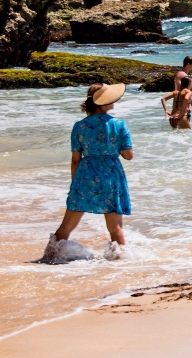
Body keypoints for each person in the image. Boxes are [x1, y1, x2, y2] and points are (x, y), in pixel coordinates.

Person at [45, 82, 135, 261]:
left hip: (85, 174)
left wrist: (75, 184)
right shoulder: (119, 124)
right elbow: (128, 155)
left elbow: (75, 159)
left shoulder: (80, 126)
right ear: (102, 102)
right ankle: (120, 264)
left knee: (66, 226)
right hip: (111, 174)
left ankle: (48, 258)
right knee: (115, 228)